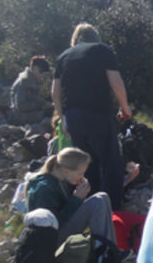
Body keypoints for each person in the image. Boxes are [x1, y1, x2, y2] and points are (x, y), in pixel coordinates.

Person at [52, 23, 130, 210]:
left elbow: (55, 91)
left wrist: (62, 118)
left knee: (87, 164)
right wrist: (125, 107)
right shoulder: (102, 50)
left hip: (73, 117)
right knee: (111, 163)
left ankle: (91, 209)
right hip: (99, 113)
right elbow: (116, 83)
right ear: (95, 37)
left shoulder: (63, 56)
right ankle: (113, 212)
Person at [25, 147, 119, 248]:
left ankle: (109, 248)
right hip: (50, 241)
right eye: (80, 173)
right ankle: (104, 251)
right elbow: (50, 225)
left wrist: (78, 199)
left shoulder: (60, 181)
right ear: (66, 171)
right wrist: (76, 200)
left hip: (58, 233)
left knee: (103, 198)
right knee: (98, 201)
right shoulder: (44, 188)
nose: (82, 177)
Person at [10, 55, 52, 125]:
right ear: (35, 68)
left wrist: (45, 104)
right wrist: (41, 104)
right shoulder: (23, 82)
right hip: (20, 117)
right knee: (49, 114)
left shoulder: (34, 81)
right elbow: (20, 106)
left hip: (30, 113)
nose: (42, 76)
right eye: (41, 72)